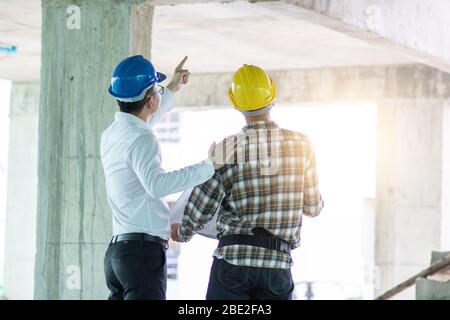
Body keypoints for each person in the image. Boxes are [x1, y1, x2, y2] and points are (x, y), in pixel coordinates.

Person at [171, 64, 324, 300]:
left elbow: (202, 204)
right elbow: (313, 208)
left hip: (233, 263)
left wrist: (182, 231)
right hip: (277, 265)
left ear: (236, 103)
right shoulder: (302, 145)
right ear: (272, 96)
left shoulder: (229, 149)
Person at [101, 55, 235, 300]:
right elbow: (157, 185)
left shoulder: (113, 134)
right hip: (142, 255)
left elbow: (146, 120)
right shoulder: (142, 138)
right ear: (151, 99)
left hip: (118, 255)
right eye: (158, 90)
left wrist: (172, 87)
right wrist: (209, 166)